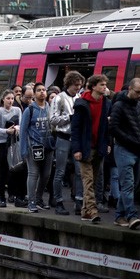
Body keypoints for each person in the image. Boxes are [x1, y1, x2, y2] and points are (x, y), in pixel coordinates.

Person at [71, 74, 112, 223]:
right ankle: (93, 211)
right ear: (93, 86)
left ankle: (85, 211)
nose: (105, 87)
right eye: (102, 85)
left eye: (105, 85)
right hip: (85, 148)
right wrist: (76, 149)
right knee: (88, 181)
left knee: (93, 181)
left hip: (99, 146)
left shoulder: (106, 103)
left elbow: (106, 128)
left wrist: (107, 144)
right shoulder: (82, 104)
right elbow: (75, 129)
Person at [109, 78, 140, 229]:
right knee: (128, 185)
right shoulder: (118, 105)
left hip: (138, 149)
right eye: (137, 92)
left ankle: (119, 216)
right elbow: (114, 128)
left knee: (132, 185)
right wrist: (132, 140)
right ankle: (132, 215)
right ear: (130, 89)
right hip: (124, 149)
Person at [50, 70, 85, 215]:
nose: (78, 87)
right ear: (69, 83)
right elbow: (52, 120)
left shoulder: (79, 97)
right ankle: (58, 202)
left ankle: (79, 201)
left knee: (79, 171)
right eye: (76, 84)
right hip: (63, 137)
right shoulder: (59, 98)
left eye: (80, 85)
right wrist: (69, 118)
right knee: (60, 171)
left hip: (76, 139)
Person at [20, 83, 56, 213]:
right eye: (39, 90)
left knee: (46, 175)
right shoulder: (29, 110)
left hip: (49, 147)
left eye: (44, 90)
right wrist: (23, 150)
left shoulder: (51, 108)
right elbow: (23, 131)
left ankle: (39, 198)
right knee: (33, 174)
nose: (42, 92)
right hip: (34, 147)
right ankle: (31, 201)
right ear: (34, 94)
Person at [0, 89, 22, 208]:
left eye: (12, 99)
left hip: (14, 142)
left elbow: (21, 123)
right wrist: (6, 131)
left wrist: (16, 129)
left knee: (14, 169)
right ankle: (1, 197)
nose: (10, 101)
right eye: (8, 98)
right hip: (3, 143)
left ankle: (12, 194)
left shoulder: (17, 110)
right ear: (3, 99)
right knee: (3, 170)